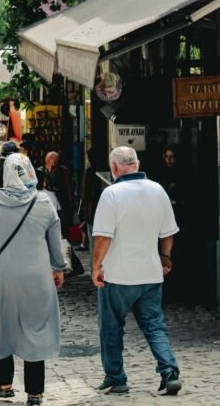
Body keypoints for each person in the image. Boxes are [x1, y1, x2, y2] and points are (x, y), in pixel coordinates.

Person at [0, 153, 65, 403]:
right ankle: (35, 392)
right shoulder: (44, 201)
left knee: (3, 327)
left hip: (5, 276)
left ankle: (4, 384)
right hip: (37, 275)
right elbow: (55, 242)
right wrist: (58, 268)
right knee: (35, 329)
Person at [92, 146, 181, 396]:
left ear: (114, 167)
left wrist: (96, 267)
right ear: (137, 164)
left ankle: (116, 378)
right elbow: (168, 233)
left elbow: (102, 238)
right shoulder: (157, 190)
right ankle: (169, 372)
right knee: (154, 325)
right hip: (150, 273)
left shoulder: (111, 194)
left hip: (117, 275)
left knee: (111, 328)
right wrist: (165, 257)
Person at [42, 151, 73, 239]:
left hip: (61, 201)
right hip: (52, 202)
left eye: (48, 161)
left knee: (62, 223)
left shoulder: (62, 171)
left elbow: (68, 186)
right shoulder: (45, 170)